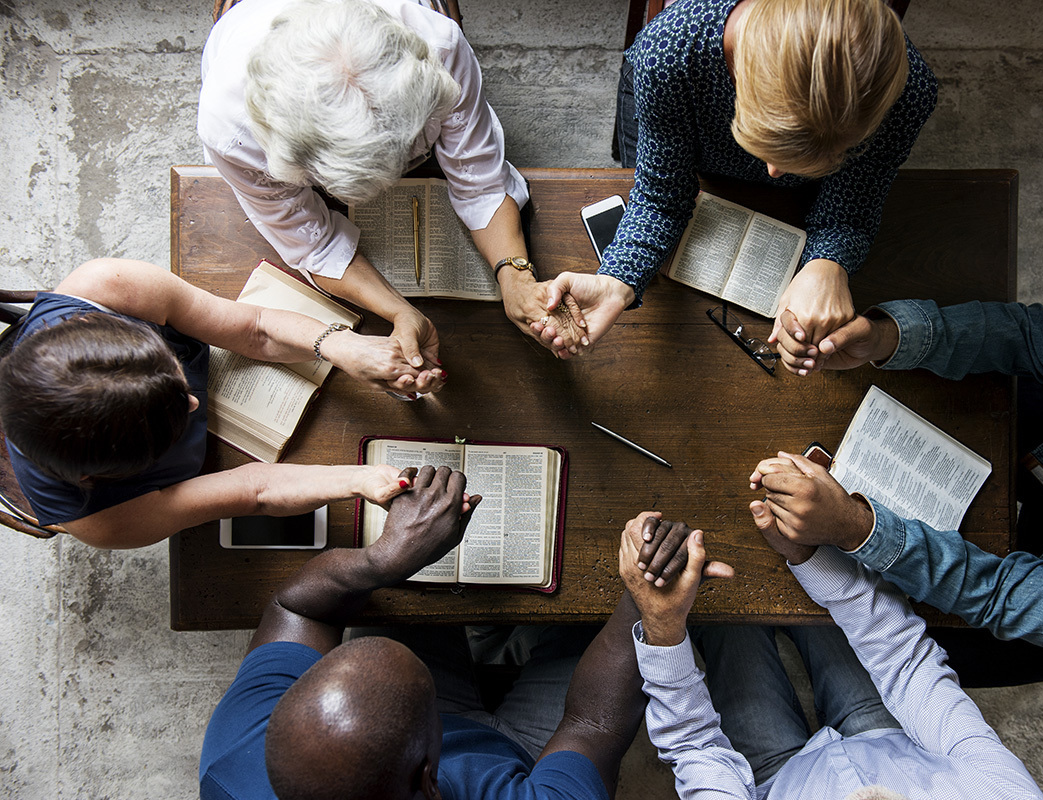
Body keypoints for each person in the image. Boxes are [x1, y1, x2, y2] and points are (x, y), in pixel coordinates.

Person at [751, 299, 1043, 679]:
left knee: (918, 653)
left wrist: (856, 528)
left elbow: (997, 593)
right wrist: (890, 336)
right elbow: (1030, 335)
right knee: (938, 382)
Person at [200, 465, 646, 800]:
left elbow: (294, 608)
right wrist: (646, 595)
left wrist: (383, 561)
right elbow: (592, 726)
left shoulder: (237, 760)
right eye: (429, 702)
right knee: (600, 614)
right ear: (430, 779)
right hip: (531, 754)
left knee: (399, 597)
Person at [199, 0, 585, 373]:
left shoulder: (438, 43)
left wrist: (516, 278)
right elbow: (314, 244)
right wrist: (400, 311)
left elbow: (480, 180)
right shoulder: (229, 131)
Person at [545, 0, 936, 366]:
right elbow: (662, 196)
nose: (774, 173)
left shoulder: (909, 92)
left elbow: (855, 200)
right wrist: (618, 280)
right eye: (766, 142)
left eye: (824, 156)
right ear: (738, 76)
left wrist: (828, 263)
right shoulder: (669, 53)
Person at [618, 510, 1043, 800]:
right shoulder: (1003, 793)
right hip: (889, 738)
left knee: (722, 604)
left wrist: (664, 625)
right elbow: (906, 663)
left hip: (774, 780)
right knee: (821, 587)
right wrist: (809, 555)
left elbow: (695, 746)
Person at [0, 259, 424, 549]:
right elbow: (253, 491)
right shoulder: (103, 521)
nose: (190, 402)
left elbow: (255, 328)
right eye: (167, 424)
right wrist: (361, 480)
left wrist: (341, 345)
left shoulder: (104, 289)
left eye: (172, 376)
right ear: (97, 475)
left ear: (96, 323)